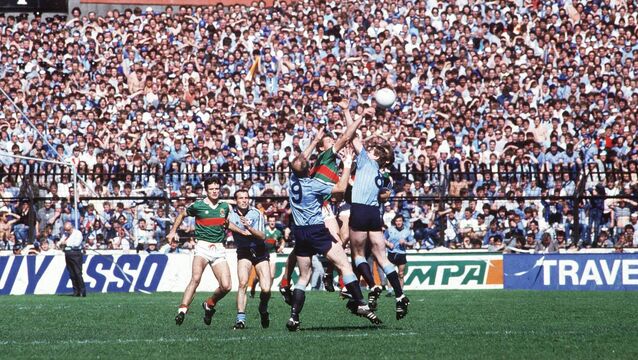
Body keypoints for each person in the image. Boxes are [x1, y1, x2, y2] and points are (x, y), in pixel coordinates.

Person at [285, 149, 380, 331]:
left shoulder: (292, 182)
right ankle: (360, 303)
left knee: (304, 276)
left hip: (300, 232)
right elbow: (340, 189)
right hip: (316, 230)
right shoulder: (314, 184)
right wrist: (346, 166)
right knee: (344, 265)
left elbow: (298, 163)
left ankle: (294, 317)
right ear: (309, 169)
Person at [280, 104, 365, 297]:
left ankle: (332, 277)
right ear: (322, 147)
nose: (333, 142)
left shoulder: (339, 165)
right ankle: (344, 283)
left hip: (324, 206)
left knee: (336, 240)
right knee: (329, 242)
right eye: (328, 141)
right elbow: (346, 137)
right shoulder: (326, 157)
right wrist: (353, 115)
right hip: (316, 207)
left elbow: (348, 139)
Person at [168, 177, 247, 326]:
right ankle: (182, 310)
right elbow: (181, 215)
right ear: (206, 190)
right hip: (202, 247)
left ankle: (209, 304)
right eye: (211, 189)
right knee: (196, 278)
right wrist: (173, 231)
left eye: (217, 189)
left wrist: (243, 232)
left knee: (226, 286)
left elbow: (227, 223)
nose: (215, 191)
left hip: (218, 248)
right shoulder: (198, 205)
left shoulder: (224, 206)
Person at [350, 133, 410, 320]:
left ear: (376, 156)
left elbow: (352, 137)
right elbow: (383, 195)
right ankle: (400, 296)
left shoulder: (366, 162)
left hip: (360, 209)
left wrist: (347, 112)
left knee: (358, 255)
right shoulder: (380, 173)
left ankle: (372, 284)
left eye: (372, 150)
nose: (368, 150)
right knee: (382, 259)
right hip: (374, 214)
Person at [227, 189, 271, 329]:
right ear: (236, 200)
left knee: (266, 289)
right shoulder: (230, 214)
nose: (244, 200)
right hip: (244, 251)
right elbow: (225, 222)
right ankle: (240, 319)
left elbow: (262, 236)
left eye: (246, 197)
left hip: (259, 250)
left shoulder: (256, 213)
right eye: (241, 198)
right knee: (242, 283)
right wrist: (240, 230)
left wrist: (249, 227)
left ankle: (263, 310)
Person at [384, 215, 416, 295]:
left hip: (401, 254)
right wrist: (388, 244)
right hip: (391, 253)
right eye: (397, 221)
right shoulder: (390, 230)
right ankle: (390, 290)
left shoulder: (407, 231)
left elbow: (412, 242)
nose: (398, 223)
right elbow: (383, 238)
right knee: (390, 272)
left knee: (401, 274)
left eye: (400, 221)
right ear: (395, 222)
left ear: (402, 222)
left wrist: (406, 243)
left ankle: (401, 290)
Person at [58, 221, 86, 297]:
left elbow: (76, 244)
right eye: (66, 230)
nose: (67, 231)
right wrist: (60, 243)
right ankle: (75, 291)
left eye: (68, 230)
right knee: (72, 273)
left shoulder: (78, 233)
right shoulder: (65, 234)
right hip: (67, 253)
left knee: (78, 273)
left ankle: (82, 290)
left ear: (72, 227)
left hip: (75, 253)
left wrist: (66, 243)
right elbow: (60, 242)